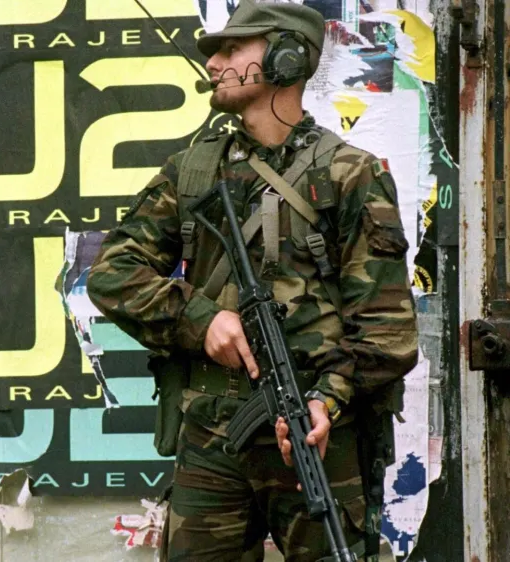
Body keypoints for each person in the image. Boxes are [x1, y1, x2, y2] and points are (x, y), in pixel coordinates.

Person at [84, 1, 419, 560]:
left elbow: (387, 333)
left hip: (315, 438)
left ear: (287, 57)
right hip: (212, 437)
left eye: (231, 49)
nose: (213, 63)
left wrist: (325, 402)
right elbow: (112, 273)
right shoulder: (194, 172)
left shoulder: (349, 175)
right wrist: (200, 318)